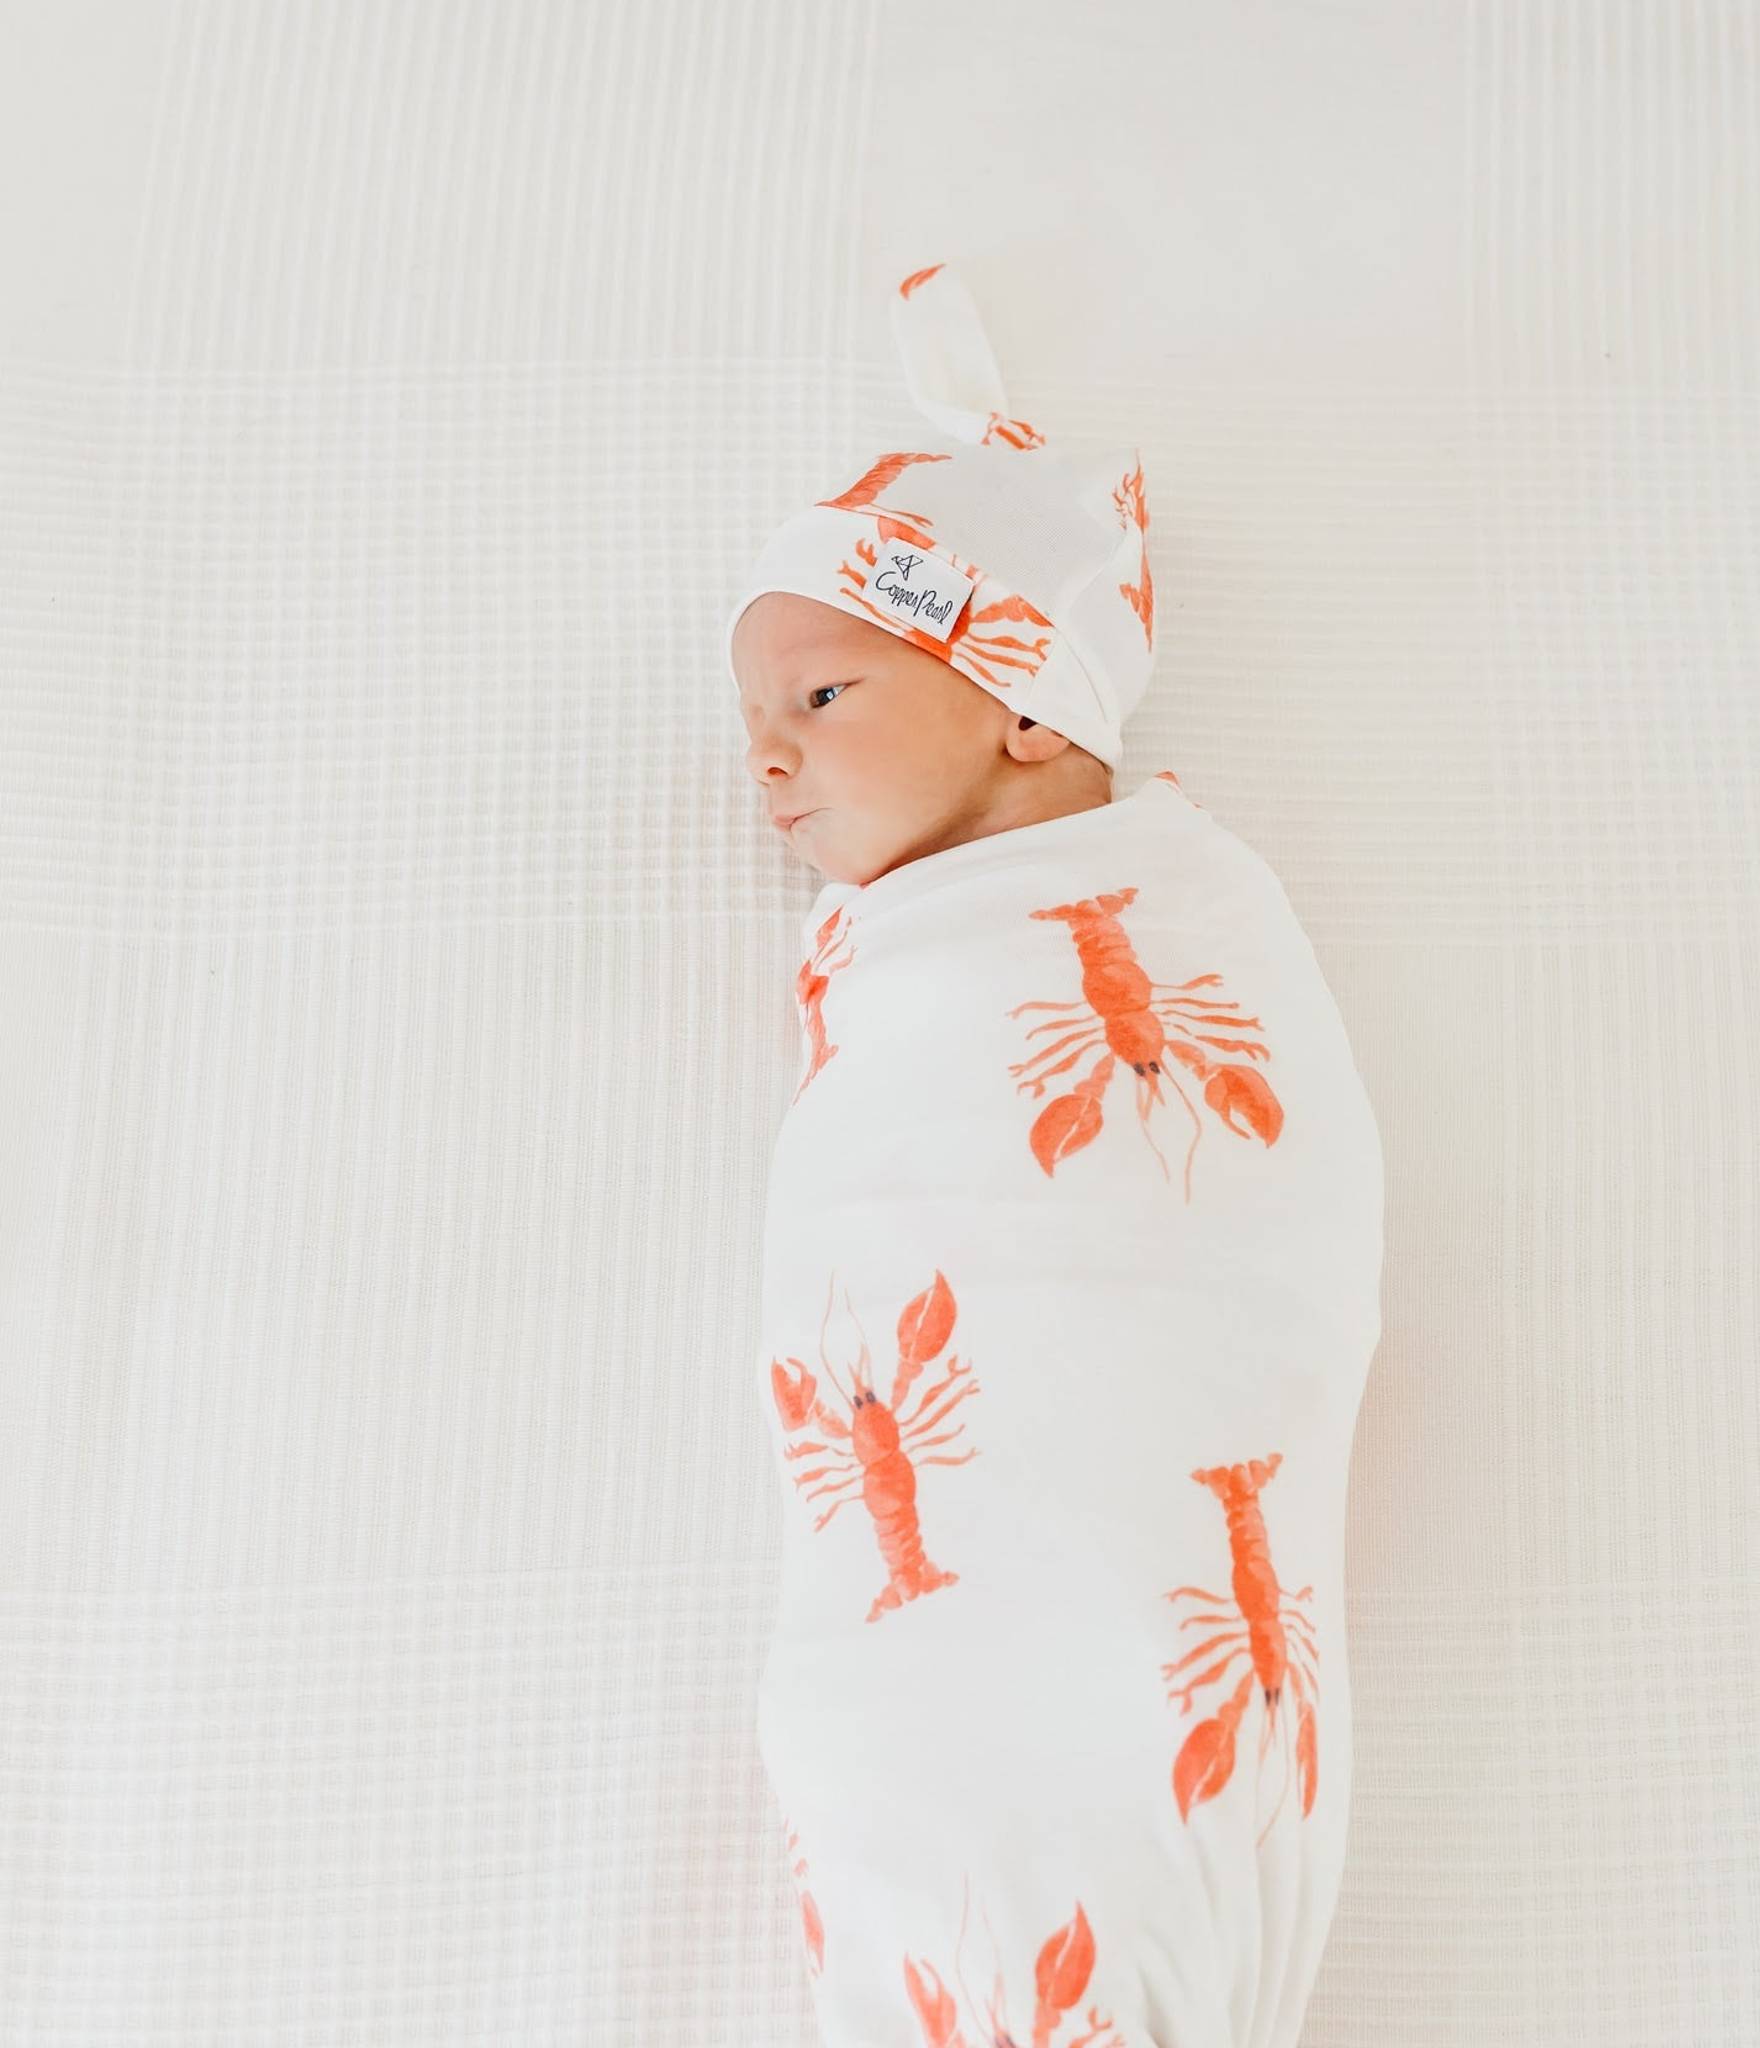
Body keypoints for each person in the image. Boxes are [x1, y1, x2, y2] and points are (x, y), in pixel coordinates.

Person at [728, 261, 1385, 2048]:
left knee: (1062, 1725)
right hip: (920, 1591)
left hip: (1117, 1546)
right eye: (755, 729)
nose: (766, 766)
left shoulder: (1180, 916)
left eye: (822, 699)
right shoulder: (927, 954)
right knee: (909, 1763)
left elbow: (1251, 1235)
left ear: (1024, 700)